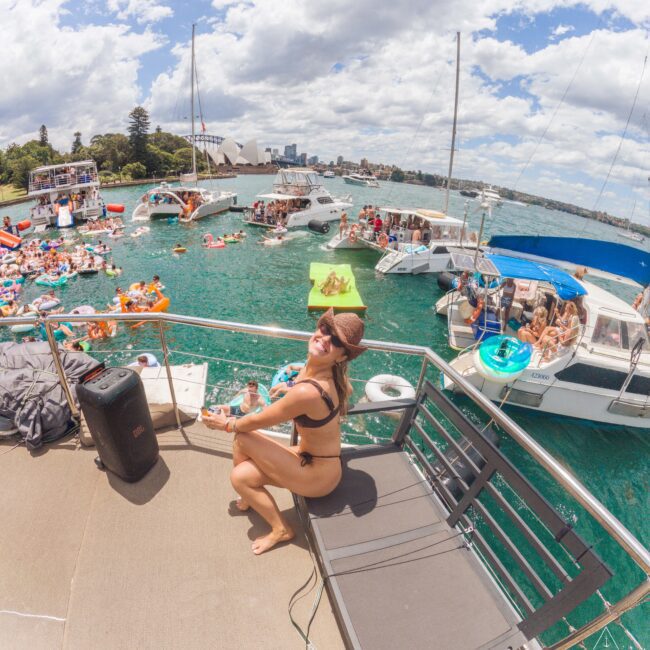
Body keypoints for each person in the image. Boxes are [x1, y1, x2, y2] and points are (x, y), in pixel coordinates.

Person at [202, 309, 367, 554]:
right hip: (320, 462)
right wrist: (291, 386)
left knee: (242, 444)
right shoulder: (332, 377)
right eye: (325, 329)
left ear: (342, 357)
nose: (325, 338)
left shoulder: (308, 391)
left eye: (335, 342)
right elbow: (343, 391)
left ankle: (281, 529)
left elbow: (259, 421)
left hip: (317, 476)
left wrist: (226, 424)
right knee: (243, 472)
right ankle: (248, 495)